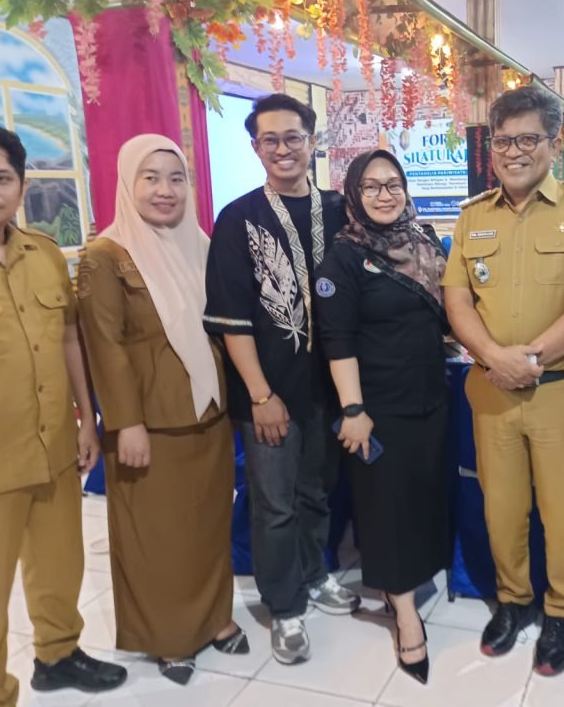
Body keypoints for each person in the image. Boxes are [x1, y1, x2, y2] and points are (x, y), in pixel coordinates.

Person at [442, 84, 564, 676]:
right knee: (502, 507)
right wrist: (494, 356)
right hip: (492, 389)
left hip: (560, 392)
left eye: (527, 139)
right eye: (503, 141)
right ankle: (513, 602)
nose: (514, 152)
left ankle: (562, 610)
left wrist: (528, 358)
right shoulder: (473, 216)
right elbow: (457, 300)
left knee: (563, 511)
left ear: (553, 142)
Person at [0, 119, 127, 705]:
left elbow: (69, 339)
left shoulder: (45, 255)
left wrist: (87, 418)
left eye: (0, 177)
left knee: (59, 569)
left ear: (20, 187)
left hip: (52, 449)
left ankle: (58, 655)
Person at [76, 134, 247, 685]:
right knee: (157, 537)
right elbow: (105, 346)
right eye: (150, 178)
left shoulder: (200, 244)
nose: (165, 190)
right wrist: (125, 422)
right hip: (149, 423)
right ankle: (170, 635)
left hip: (208, 414)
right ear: (128, 184)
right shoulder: (105, 257)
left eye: (176, 179)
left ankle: (215, 617)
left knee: (208, 525)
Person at [203, 93, 360, 665]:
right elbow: (232, 318)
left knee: (316, 492)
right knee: (274, 505)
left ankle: (315, 574)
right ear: (256, 148)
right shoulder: (237, 219)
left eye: (293, 137)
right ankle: (285, 606)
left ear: (312, 142)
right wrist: (260, 395)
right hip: (271, 394)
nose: (282, 148)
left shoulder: (342, 211)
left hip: (330, 391)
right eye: (269, 140)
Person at [316, 149, 450, 685]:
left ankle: (413, 580)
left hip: (430, 399)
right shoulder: (344, 259)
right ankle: (405, 614)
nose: (384, 195)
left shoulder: (424, 243)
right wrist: (353, 409)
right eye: (371, 186)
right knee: (387, 509)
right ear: (354, 194)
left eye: (393, 184)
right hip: (377, 409)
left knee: (422, 497)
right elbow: (337, 340)